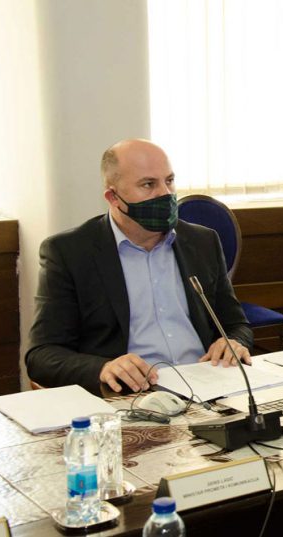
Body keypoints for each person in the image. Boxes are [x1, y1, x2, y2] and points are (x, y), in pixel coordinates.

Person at [25, 139, 254, 394]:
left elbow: (237, 324)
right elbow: (42, 356)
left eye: (169, 181)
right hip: (134, 394)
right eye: (148, 184)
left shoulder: (202, 241)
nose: (165, 194)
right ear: (113, 197)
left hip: (209, 384)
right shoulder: (69, 252)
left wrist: (233, 342)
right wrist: (103, 368)